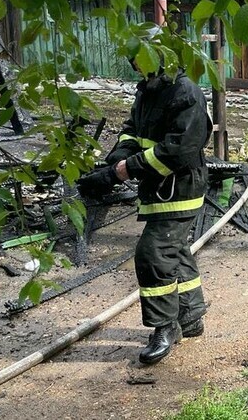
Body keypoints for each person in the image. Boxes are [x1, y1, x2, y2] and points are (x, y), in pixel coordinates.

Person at [78, 47, 212, 366]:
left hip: (179, 187)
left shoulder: (185, 93)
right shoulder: (149, 91)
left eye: (140, 60)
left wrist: (121, 171)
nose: (137, 67)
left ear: (159, 56)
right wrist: (117, 155)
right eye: (134, 62)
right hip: (157, 188)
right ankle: (189, 319)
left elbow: (176, 153)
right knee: (174, 251)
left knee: (154, 253)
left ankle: (164, 326)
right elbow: (131, 130)